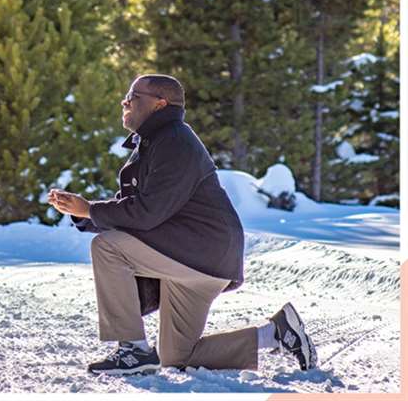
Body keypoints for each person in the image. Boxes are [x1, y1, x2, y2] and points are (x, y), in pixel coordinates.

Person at [48, 74, 317, 375]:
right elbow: (135, 212)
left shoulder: (174, 141)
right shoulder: (157, 142)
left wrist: (91, 210)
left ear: (160, 104)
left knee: (108, 248)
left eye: (134, 96)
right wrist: (85, 214)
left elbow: (147, 213)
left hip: (200, 251)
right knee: (178, 356)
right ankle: (277, 333)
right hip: (197, 257)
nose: (125, 101)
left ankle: (133, 350)